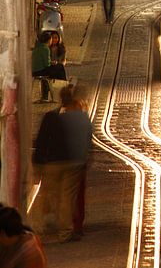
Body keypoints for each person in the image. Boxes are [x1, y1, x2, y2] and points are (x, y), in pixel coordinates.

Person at [31, 85, 92, 243]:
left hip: (52, 163)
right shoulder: (82, 117)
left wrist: (38, 162)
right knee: (66, 197)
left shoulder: (51, 116)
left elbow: (41, 141)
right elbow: (87, 141)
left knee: (48, 195)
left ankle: (37, 230)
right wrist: (85, 161)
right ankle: (65, 231)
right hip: (73, 162)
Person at [32, 32, 66, 103]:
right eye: (51, 38)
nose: (52, 40)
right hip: (40, 71)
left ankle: (60, 89)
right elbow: (47, 64)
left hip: (35, 70)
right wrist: (52, 62)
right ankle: (63, 87)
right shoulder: (45, 48)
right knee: (60, 68)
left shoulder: (38, 47)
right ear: (48, 40)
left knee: (59, 67)